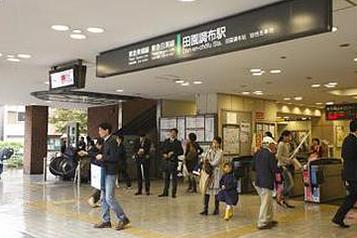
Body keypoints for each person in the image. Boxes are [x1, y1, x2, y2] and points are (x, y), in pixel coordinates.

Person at [94, 122, 130, 231]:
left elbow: (114, 158)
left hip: (111, 172)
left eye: (100, 130)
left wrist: (102, 157)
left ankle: (123, 218)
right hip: (105, 171)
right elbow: (103, 155)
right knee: (103, 197)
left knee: (109, 197)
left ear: (106, 131)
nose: (99, 132)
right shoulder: (106, 142)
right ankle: (106, 220)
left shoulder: (112, 142)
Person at [332, 120, 357, 228]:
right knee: (351, 197)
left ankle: (338, 217)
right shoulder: (354, 141)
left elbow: (344, 156)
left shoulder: (347, 140)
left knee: (351, 197)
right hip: (354, 174)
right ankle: (338, 217)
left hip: (349, 173)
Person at [253, 136, 279, 230]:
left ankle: (269, 219)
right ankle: (262, 222)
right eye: (273, 144)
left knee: (268, 201)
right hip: (266, 182)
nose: (274, 146)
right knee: (265, 202)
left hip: (258, 181)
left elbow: (253, 167)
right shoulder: (270, 155)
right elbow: (274, 169)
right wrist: (281, 167)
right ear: (269, 144)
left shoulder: (257, 153)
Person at [200, 136, 223, 216]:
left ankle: (216, 209)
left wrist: (208, 162)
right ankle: (205, 209)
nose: (214, 144)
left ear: (219, 144)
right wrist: (205, 159)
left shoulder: (220, 152)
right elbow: (204, 157)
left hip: (216, 172)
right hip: (208, 173)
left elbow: (215, 162)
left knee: (216, 191)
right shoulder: (209, 150)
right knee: (207, 190)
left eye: (216, 143)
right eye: (213, 142)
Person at [159, 128, 184, 198]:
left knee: (174, 179)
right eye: (172, 133)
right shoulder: (166, 141)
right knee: (166, 178)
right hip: (166, 161)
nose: (173, 134)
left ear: (176, 134)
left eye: (174, 133)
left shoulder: (178, 142)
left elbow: (181, 152)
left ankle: (173, 193)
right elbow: (161, 149)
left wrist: (173, 153)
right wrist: (164, 154)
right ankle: (165, 192)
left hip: (173, 162)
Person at [79, 138, 104, 208]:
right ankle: (92, 199)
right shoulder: (94, 149)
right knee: (101, 186)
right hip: (97, 168)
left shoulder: (96, 149)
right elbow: (93, 154)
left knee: (101, 187)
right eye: (100, 146)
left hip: (96, 168)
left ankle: (94, 200)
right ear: (98, 144)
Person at [276, 130, 295, 208]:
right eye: (288, 136)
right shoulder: (281, 144)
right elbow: (278, 156)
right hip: (283, 167)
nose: (289, 138)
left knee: (287, 184)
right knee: (290, 184)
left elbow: (285, 155)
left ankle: (285, 201)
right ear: (284, 136)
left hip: (286, 166)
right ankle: (280, 196)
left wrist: (291, 155)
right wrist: (287, 160)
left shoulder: (286, 144)